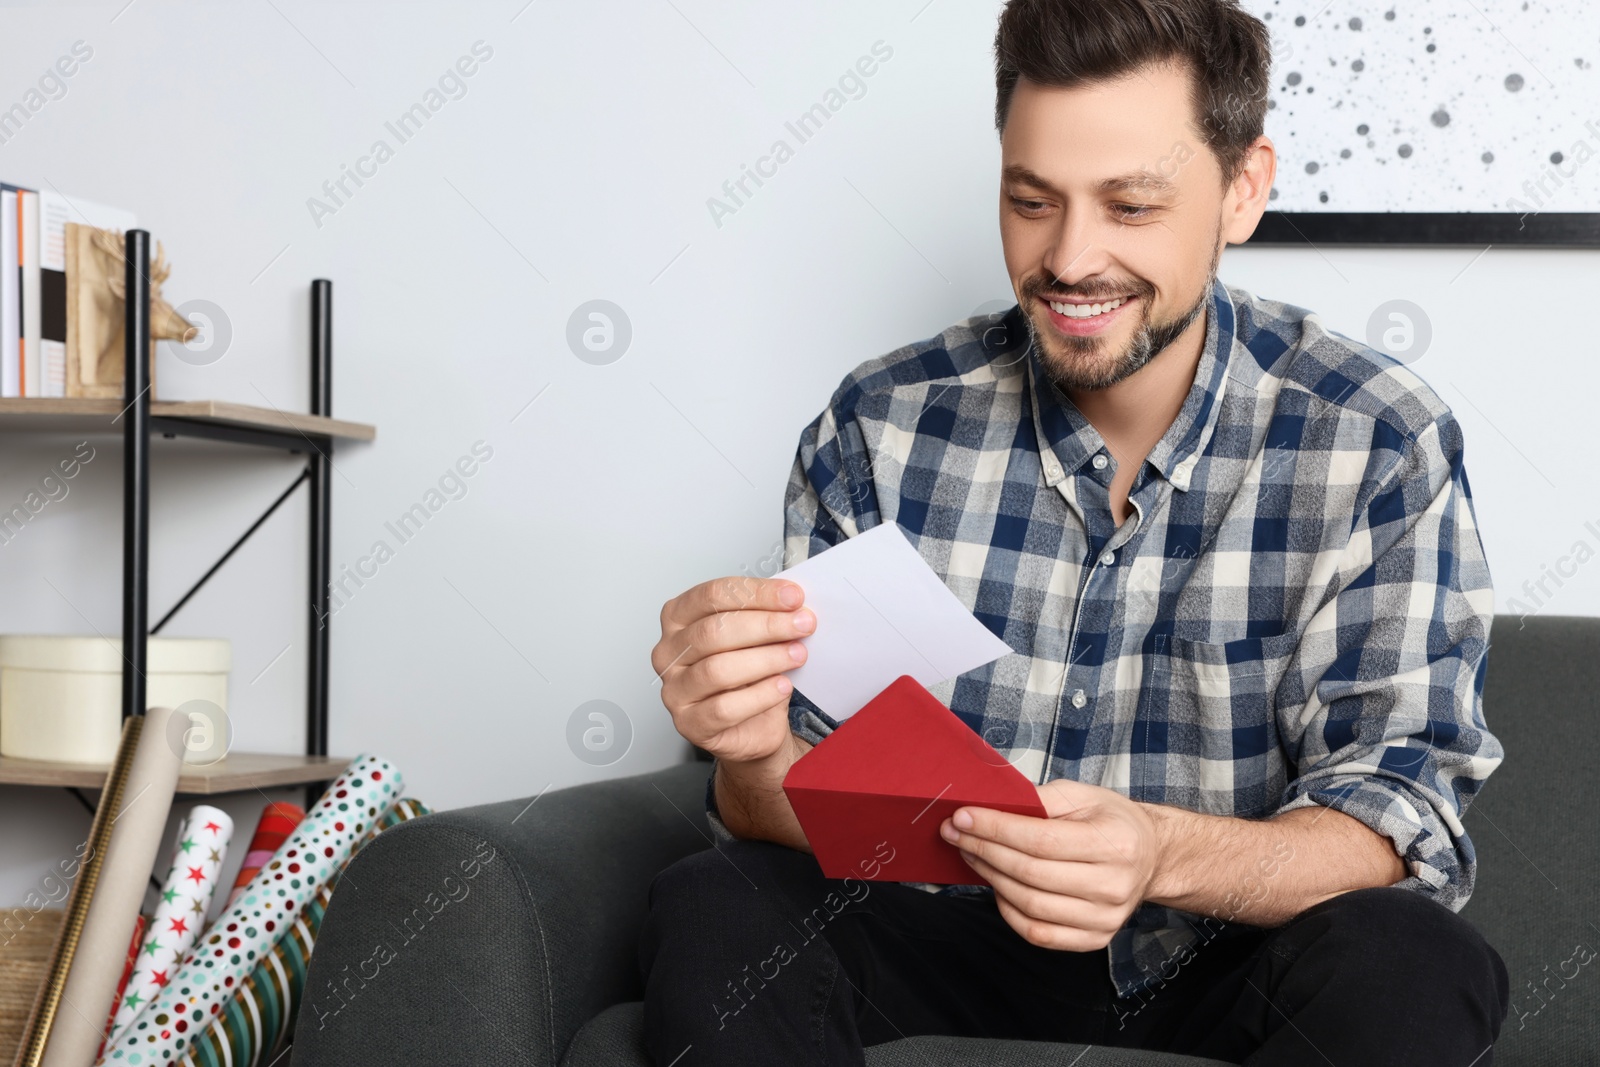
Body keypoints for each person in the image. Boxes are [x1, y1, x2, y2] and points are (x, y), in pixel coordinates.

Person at [644, 1, 1510, 1062]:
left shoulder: (1375, 437)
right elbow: (789, 803)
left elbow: (1391, 820)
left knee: (1414, 957)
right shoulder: (882, 423)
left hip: (1220, 963)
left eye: (1132, 204)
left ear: (1241, 190)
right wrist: (752, 750)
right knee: (717, 895)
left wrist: (1156, 852)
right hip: (938, 941)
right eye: (1029, 199)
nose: (1068, 258)